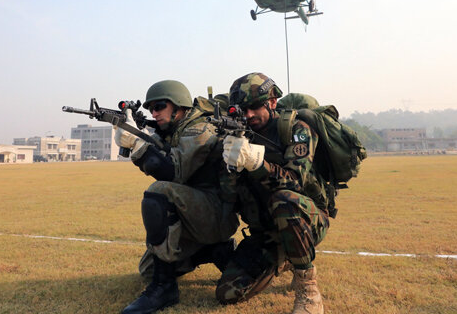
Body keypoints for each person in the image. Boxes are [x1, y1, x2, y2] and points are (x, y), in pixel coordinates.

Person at [115, 80, 239, 314]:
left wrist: (138, 143)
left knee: (158, 191)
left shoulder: (200, 129)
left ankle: (164, 288)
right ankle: (214, 251)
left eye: (160, 106)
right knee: (148, 269)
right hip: (195, 215)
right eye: (151, 108)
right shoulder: (175, 131)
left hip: (216, 214)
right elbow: (162, 159)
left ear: (179, 106)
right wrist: (139, 137)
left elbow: (173, 172)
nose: (154, 113)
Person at [216, 72, 329, 314]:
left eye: (254, 107)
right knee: (227, 293)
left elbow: (295, 183)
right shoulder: (238, 134)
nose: (248, 115)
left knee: (285, 200)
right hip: (265, 231)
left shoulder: (297, 129)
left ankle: (308, 291)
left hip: (306, 218)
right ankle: (285, 256)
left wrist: (256, 164)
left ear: (273, 102)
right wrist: (229, 165)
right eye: (241, 109)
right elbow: (228, 195)